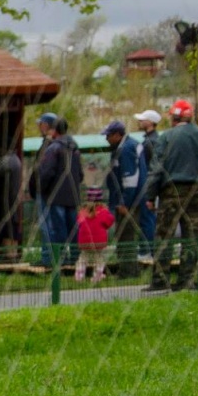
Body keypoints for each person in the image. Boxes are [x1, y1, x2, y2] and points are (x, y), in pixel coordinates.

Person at [143, 98, 198, 292]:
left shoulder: (166, 137)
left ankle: (160, 279)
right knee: (193, 237)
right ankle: (187, 279)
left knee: (164, 235)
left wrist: (150, 196)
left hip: (171, 192)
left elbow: (156, 169)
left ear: (174, 118)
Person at [28, 113, 80, 269]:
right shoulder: (74, 148)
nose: (40, 127)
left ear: (50, 127)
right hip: (72, 196)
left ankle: (53, 260)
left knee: (52, 229)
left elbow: (46, 173)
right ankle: (74, 258)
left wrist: (38, 189)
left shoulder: (53, 148)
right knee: (72, 229)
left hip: (52, 196)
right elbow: (80, 174)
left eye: (41, 124)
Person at [103, 119, 147, 277]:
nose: (107, 139)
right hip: (127, 199)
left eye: (108, 135)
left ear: (117, 135)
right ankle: (127, 269)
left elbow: (130, 178)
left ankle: (128, 271)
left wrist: (124, 202)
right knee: (124, 235)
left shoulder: (126, 149)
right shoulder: (127, 146)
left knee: (126, 236)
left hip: (128, 201)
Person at [134, 108, 162, 273]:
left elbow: (151, 168)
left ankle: (148, 250)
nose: (139, 122)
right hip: (151, 185)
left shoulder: (150, 143)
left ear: (150, 123)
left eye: (142, 119)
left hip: (148, 185)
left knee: (147, 219)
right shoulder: (151, 140)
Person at [74, 192, 114, 282]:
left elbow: (79, 222)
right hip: (99, 242)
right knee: (99, 258)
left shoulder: (83, 211)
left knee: (83, 258)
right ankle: (97, 276)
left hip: (84, 241)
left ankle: (79, 276)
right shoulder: (103, 211)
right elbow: (109, 221)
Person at [0, 146, 24, 255]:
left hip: (7, 201)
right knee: (13, 230)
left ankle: (9, 256)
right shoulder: (16, 160)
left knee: (7, 231)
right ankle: (13, 254)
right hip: (14, 200)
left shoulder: (6, 161)